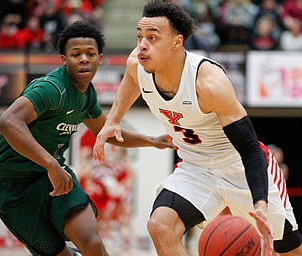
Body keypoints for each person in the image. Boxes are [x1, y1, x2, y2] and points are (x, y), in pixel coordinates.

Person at [93, 1, 302, 255]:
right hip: (196, 167)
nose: (142, 45)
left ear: (176, 42)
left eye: (152, 37)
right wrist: (113, 119)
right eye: (139, 37)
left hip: (238, 165)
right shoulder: (138, 63)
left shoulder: (208, 81)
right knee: (160, 226)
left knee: (287, 249)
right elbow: (131, 81)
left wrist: (259, 203)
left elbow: (249, 148)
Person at [0, 20, 173, 256]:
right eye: (76, 54)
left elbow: (106, 132)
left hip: (54, 176)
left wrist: (152, 141)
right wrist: (51, 164)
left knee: (94, 245)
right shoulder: (52, 89)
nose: (84, 58)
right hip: (14, 185)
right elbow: (7, 122)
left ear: (100, 58)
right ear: (64, 60)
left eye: (90, 53)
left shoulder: (87, 95)